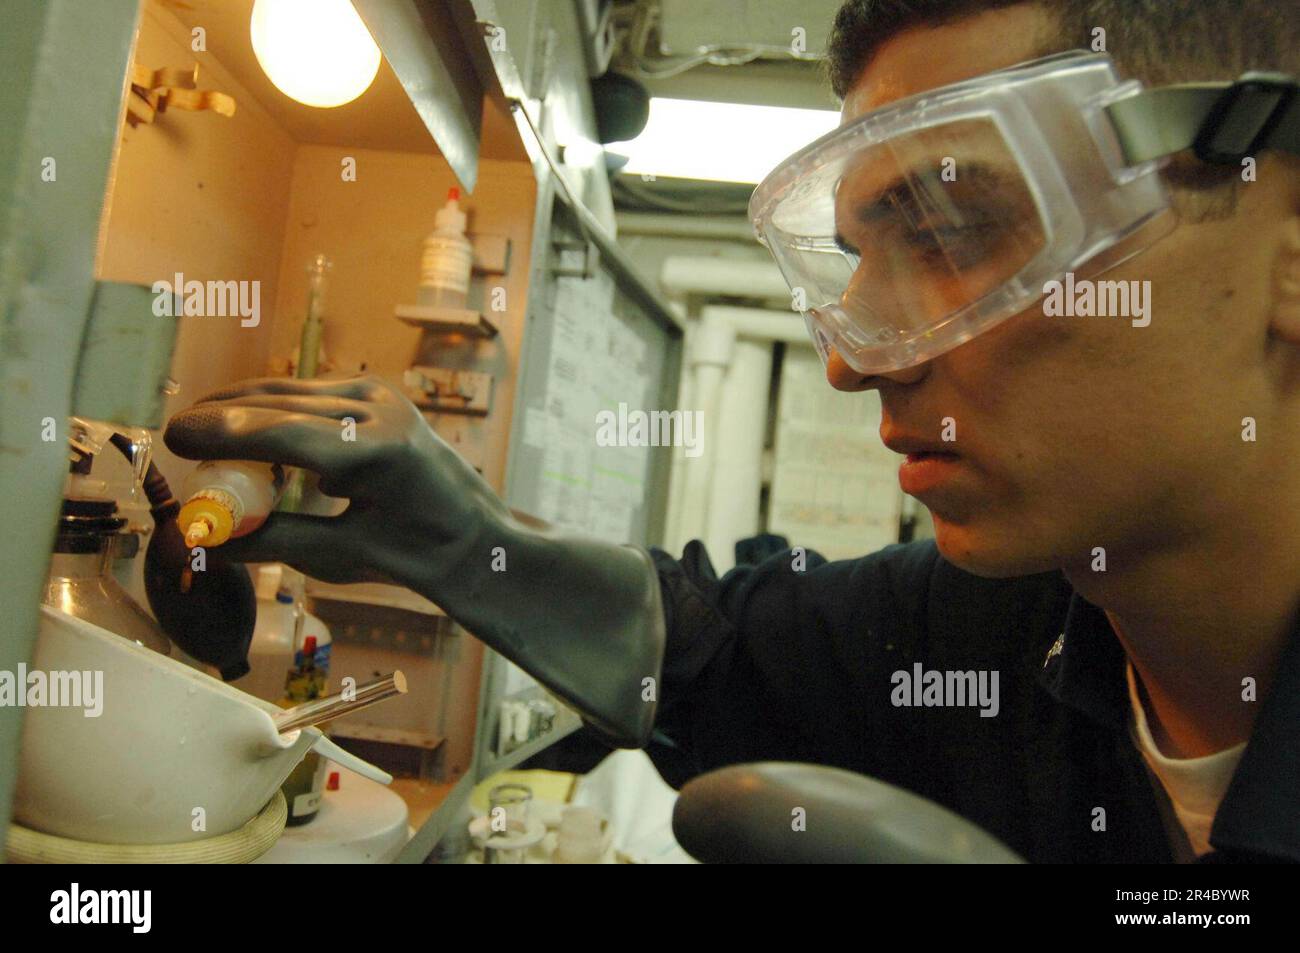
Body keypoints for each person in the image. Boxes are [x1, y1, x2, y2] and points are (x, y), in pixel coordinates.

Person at [165, 0, 1299, 863]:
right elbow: (704, 652)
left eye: (955, 229)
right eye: (858, 265)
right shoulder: (989, 631)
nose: (857, 361)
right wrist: (465, 545)